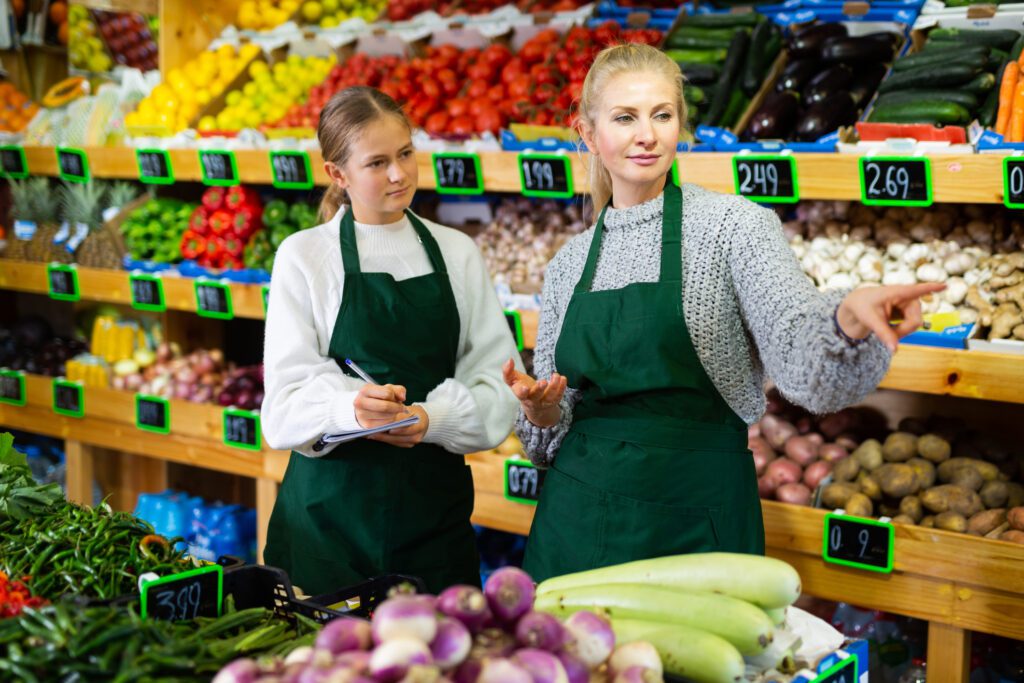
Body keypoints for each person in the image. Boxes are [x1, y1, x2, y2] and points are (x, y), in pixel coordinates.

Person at [502, 44, 944, 582]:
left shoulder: (734, 228)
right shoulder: (568, 263)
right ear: (589, 134)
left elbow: (798, 346)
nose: (647, 134)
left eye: (662, 115)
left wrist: (843, 319)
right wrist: (542, 414)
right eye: (625, 118)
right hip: (575, 524)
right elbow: (549, 438)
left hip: (697, 522)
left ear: (680, 125)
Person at [261, 86, 522, 594]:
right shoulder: (304, 257)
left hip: (432, 520)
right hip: (328, 525)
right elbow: (283, 407)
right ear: (338, 174)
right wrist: (349, 410)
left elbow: (498, 381)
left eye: (405, 153)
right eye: (377, 162)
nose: (399, 174)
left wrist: (434, 420)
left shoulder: (457, 252)